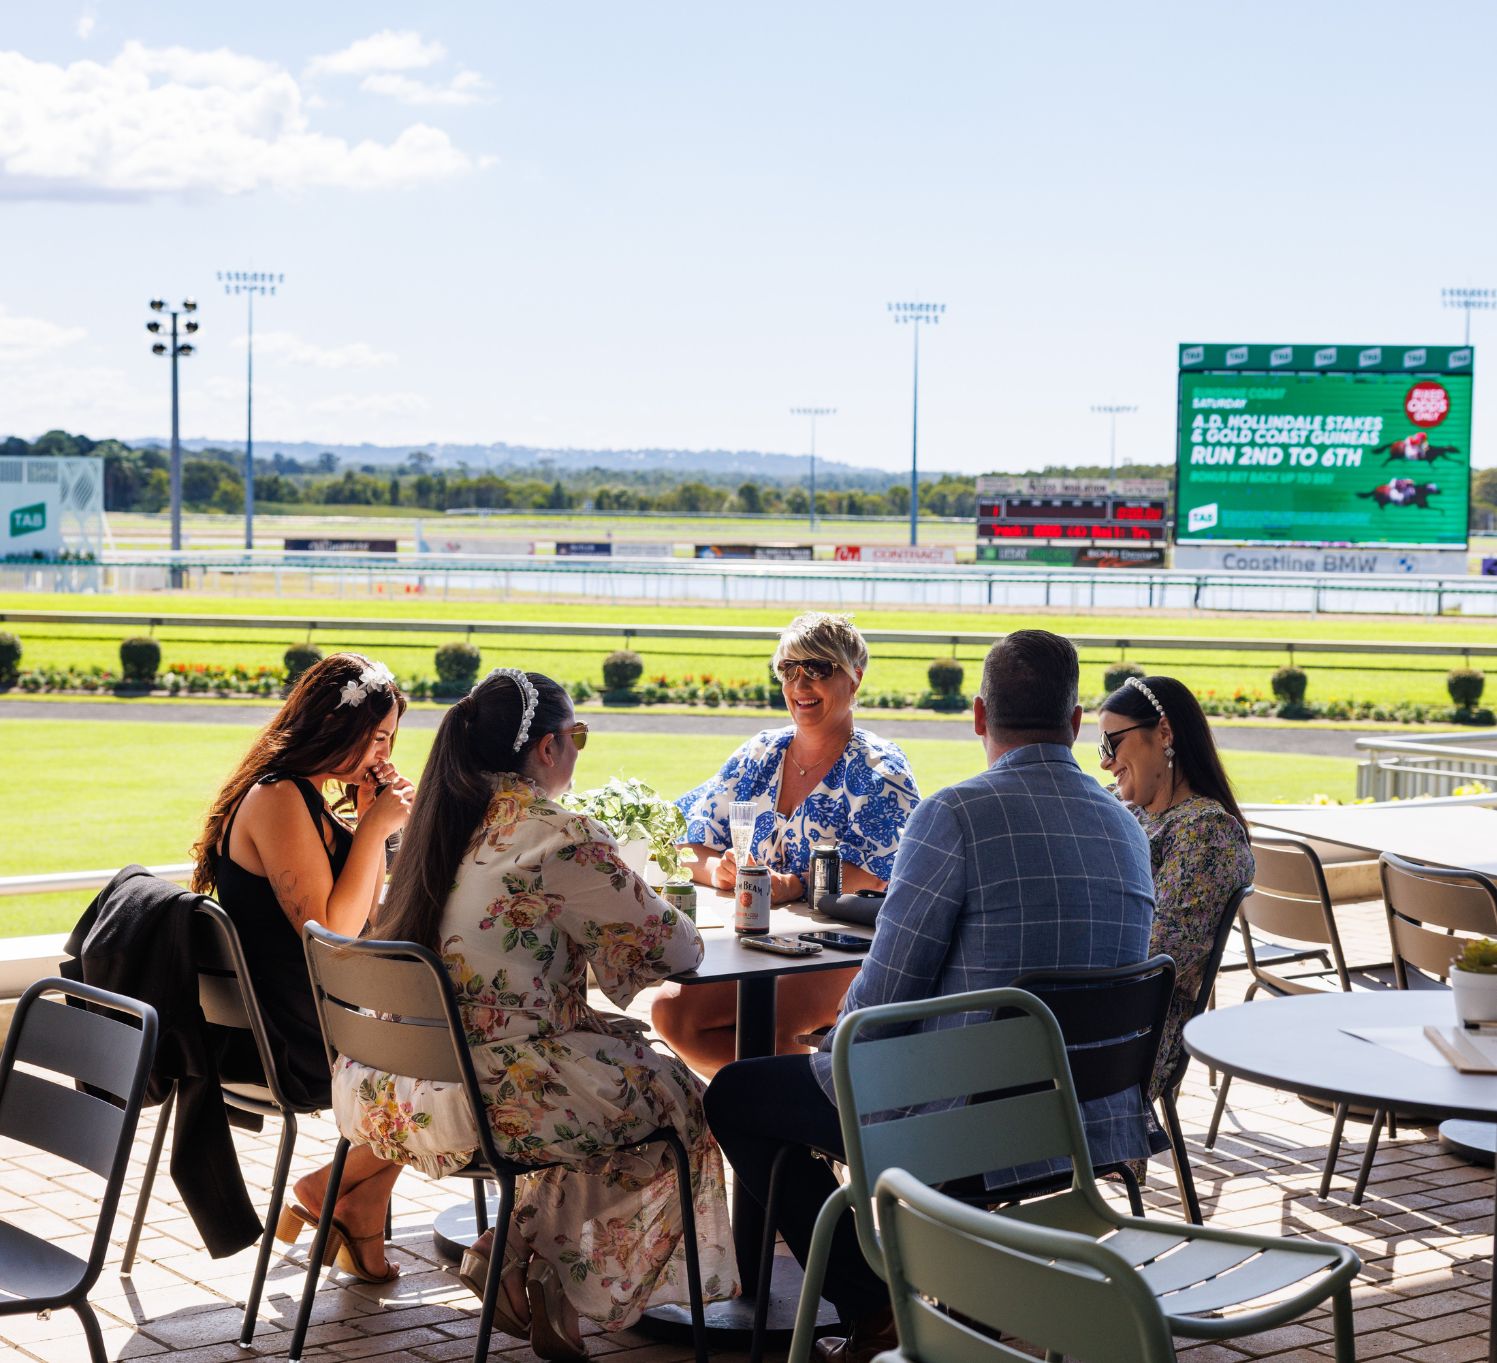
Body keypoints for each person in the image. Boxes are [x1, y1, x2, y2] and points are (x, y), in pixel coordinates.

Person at [704, 629, 1155, 1363]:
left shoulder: (954, 816)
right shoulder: (1126, 829)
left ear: (978, 716)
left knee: (736, 1094)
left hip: (969, 1129)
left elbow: (882, 999)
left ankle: (873, 1300)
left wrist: (828, 1054)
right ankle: (918, 1298)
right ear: (1075, 724)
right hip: (1087, 1127)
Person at [330, 668, 737, 1360]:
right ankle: (537, 1267)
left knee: (603, 1082)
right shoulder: (557, 834)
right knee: (677, 1101)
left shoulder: (438, 820)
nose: (579, 749)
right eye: (575, 735)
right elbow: (672, 944)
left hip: (382, 1088)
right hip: (487, 1094)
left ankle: (517, 1253)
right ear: (547, 748)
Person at [190, 651, 414, 1282]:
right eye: (375, 737)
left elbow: (364, 919)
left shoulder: (309, 799)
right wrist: (372, 830)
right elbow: (333, 938)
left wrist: (371, 825)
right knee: (459, 1058)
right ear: (333, 727)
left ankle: (356, 1213)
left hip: (308, 1020)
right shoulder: (279, 798)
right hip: (291, 1042)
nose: (381, 752)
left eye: (389, 739)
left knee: (454, 1046)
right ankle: (330, 1186)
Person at [655, 612, 920, 1074]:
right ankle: (771, 1115)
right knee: (672, 1012)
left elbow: (885, 871)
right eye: (788, 669)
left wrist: (796, 885)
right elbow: (682, 840)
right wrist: (717, 868)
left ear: (854, 678)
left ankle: (770, 1125)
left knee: (773, 1030)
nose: (800, 682)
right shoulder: (760, 753)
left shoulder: (879, 767)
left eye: (818, 668)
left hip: (845, 949)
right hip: (757, 947)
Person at [1097, 674, 1254, 1100]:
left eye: (1113, 744)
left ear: (1163, 732)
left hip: (1134, 1029)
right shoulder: (1130, 809)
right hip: (1093, 1002)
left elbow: (1158, 957)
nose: (1105, 761)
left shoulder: (1207, 833)